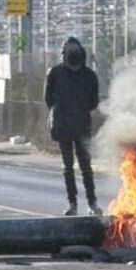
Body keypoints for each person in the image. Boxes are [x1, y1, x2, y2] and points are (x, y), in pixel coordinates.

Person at [44, 36, 101, 216]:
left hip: (82, 126)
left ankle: (92, 203)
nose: (71, 54)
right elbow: (48, 99)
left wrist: (79, 109)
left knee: (85, 167)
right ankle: (72, 204)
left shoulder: (89, 75)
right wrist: (62, 111)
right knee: (68, 167)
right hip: (63, 126)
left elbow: (94, 102)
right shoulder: (55, 73)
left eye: (74, 50)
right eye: (69, 51)